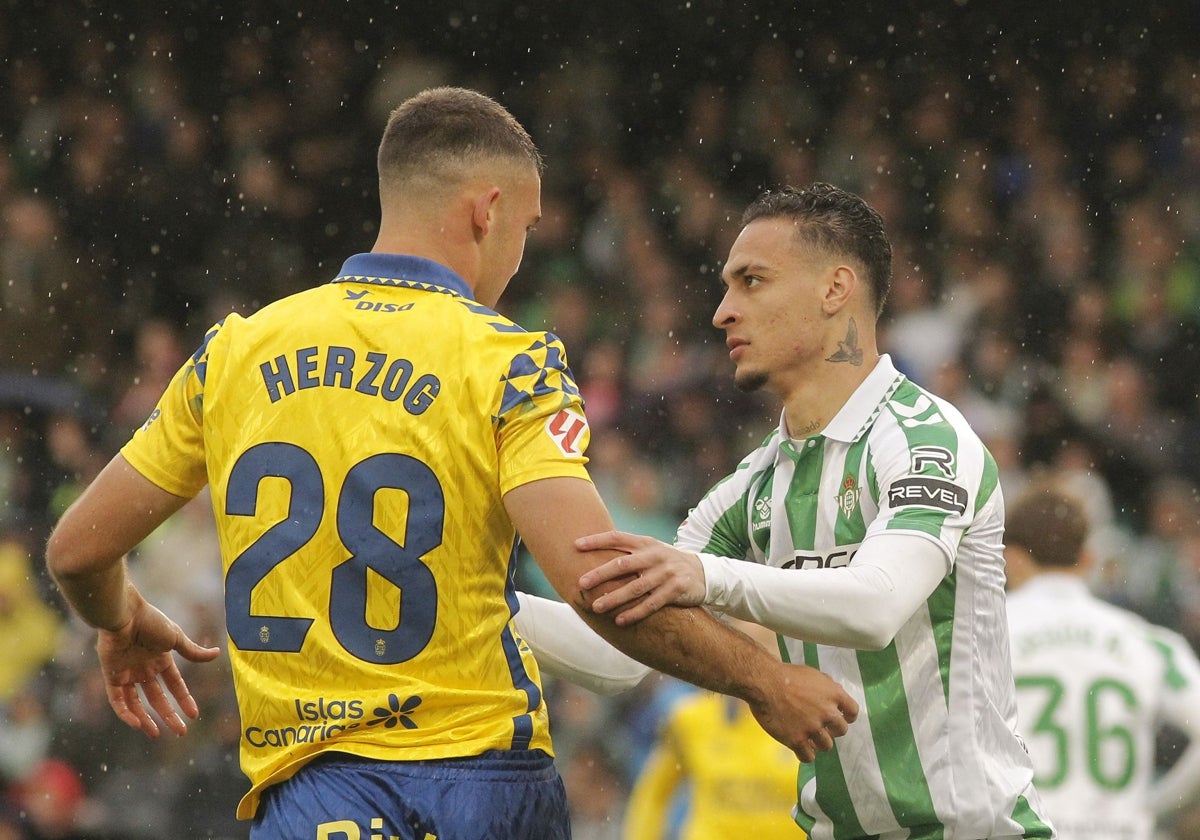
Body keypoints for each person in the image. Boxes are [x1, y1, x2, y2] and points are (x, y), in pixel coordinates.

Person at [43, 88, 858, 840]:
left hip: (312, 796)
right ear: (488, 210)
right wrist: (765, 682)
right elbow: (600, 586)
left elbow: (76, 552)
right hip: (479, 785)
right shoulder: (507, 362)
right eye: (529, 231)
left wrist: (119, 619)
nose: (520, 257)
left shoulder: (237, 353)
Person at [573, 182, 1055, 838]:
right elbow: (629, 648)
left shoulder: (923, 440)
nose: (722, 312)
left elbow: (876, 605)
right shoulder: (758, 483)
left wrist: (707, 577)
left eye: (752, 282)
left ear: (835, 291)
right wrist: (496, 619)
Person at [1003, 481, 1200, 840]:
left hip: (1023, 831)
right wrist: (1152, 805)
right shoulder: (1151, 642)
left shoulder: (985, 634)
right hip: (1118, 832)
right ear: (1087, 559)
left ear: (1010, 558)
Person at [622, 621, 805, 840]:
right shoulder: (690, 719)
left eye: (766, 649)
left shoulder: (806, 722)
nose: (753, 666)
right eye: (743, 653)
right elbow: (652, 796)